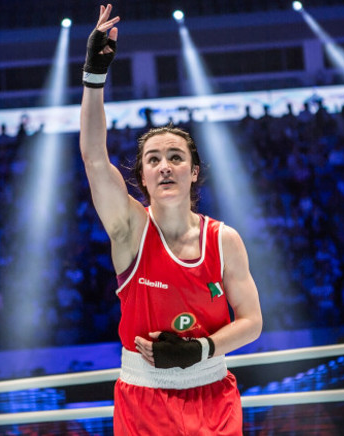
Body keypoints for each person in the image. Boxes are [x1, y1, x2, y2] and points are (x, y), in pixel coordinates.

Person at [79, 5, 263, 435]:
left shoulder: (225, 240)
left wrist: (202, 350)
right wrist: (93, 76)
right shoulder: (129, 230)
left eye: (176, 158)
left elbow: (252, 322)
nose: (165, 166)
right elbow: (92, 157)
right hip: (144, 398)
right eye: (153, 159)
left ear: (194, 171)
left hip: (213, 392)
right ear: (141, 175)